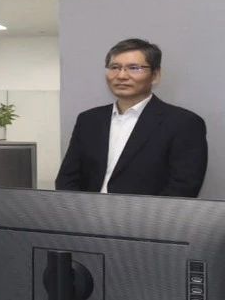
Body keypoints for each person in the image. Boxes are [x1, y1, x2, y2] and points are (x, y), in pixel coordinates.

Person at [56, 38, 207, 197]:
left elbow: (184, 187)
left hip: (145, 213)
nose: (121, 75)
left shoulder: (184, 123)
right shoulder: (89, 120)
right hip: (86, 211)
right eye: (115, 67)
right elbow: (67, 178)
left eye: (134, 68)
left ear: (155, 75)